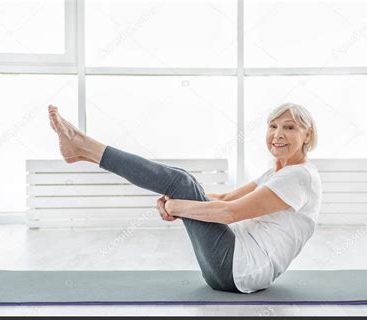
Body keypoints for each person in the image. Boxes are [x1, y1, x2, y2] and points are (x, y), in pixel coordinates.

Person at [47, 102, 322, 294]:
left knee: (181, 182)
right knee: (183, 180)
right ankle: (82, 151)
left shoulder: (299, 177)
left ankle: (83, 146)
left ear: (307, 134)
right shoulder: (278, 173)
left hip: (239, 269)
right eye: (273, 126)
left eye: (289, 128)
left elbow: (230, 213)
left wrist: (178, 205)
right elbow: (223, 197)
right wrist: (179, 204)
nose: (277, 135)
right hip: (234, 269)